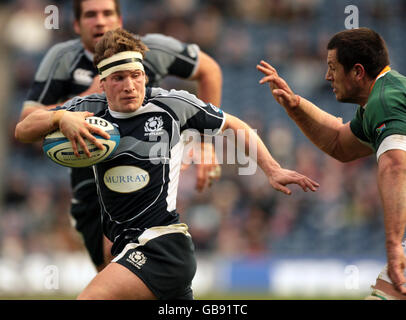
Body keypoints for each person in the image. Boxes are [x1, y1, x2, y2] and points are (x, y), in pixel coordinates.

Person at [15, 28, 319, 300]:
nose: (129, 85)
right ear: (103, 83)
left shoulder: (170, 106)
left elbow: (234, 124)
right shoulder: (86, 110)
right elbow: (24, 129)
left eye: (136, 75)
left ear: (145, 76)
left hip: (160, 245)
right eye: (119, 78)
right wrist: (59, 117)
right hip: (128, 246)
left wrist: (272, 169)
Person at [21, 0, 223, 272]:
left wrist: (204, 142)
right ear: (77, 25)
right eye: (91, 15)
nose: (101, 21)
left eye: (108, 13)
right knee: (112, 268)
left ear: (120, 19)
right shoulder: (62, 58)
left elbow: (209, 70)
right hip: (88, 172)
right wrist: (73, 108)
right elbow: (26, 123)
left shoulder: (153, 49)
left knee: (131, 262)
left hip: (146, 166)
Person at [257, 27, 406, 300]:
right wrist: (296, 106)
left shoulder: (385, 102)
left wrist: (393, 244)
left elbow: (395, 166)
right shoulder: (380, 99)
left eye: (333, 68)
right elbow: (339, 143)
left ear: (358, 72)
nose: (327, 77)